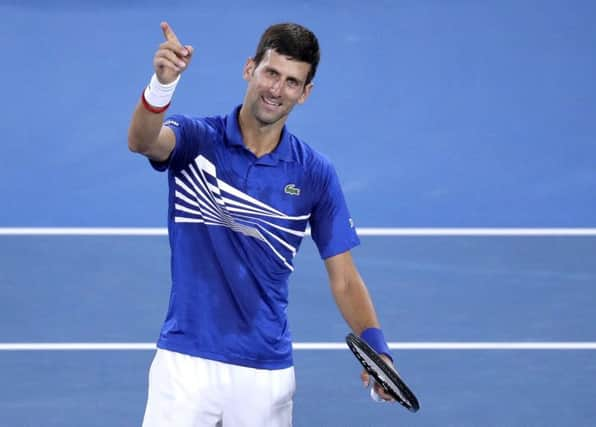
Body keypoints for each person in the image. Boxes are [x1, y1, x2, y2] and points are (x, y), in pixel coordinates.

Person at [128, 21, 396, 427]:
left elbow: (344, 278)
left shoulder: (315, 174)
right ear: (249, 68)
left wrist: (377, 348)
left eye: (292, 82)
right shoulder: (197, 139)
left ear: (305, 94)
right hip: (185, 362)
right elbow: (143, 141)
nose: (276, 89)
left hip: (265, 373)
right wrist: (161, 86)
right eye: (271, 73)